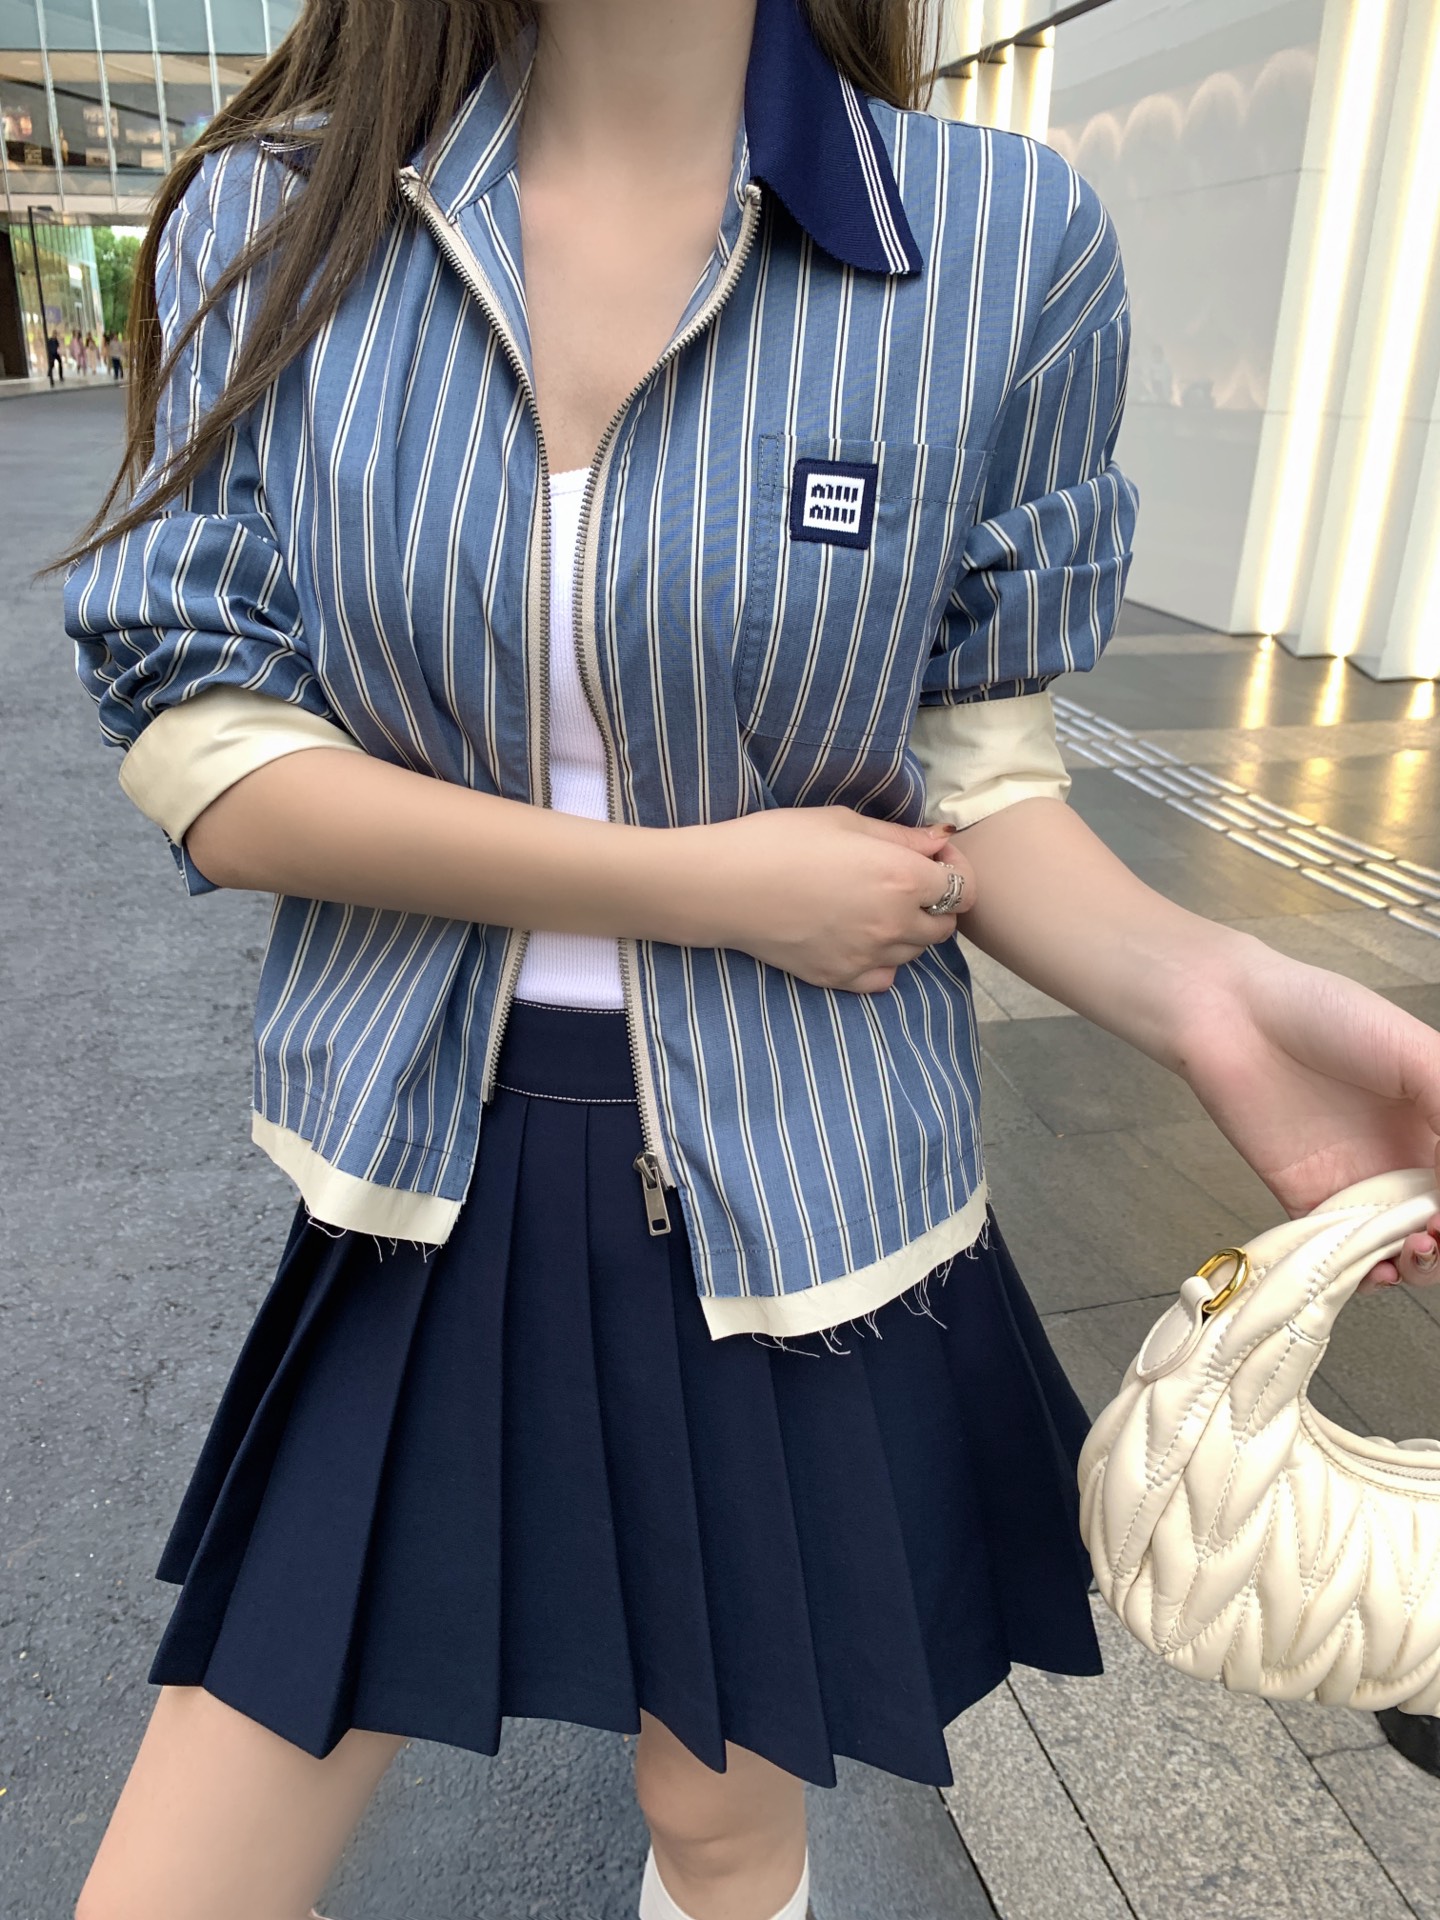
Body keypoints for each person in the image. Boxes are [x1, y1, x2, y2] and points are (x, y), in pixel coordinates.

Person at [61, 2, 1440, 1917]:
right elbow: (210, 748)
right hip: (420, 1184)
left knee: (721, 1821)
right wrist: (702, 886)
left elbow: (980, 779)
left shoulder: (997, 237)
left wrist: (1218, 999)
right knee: (182, 1872)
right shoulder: (278, 221)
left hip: (802, 1204)